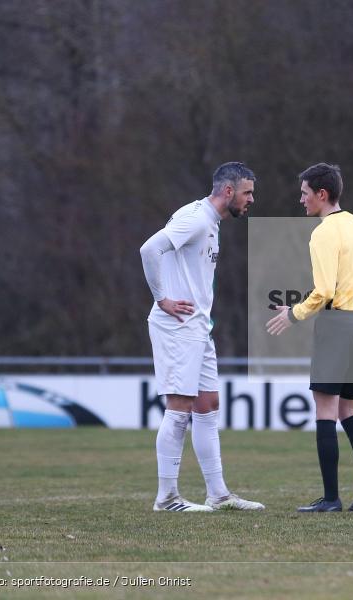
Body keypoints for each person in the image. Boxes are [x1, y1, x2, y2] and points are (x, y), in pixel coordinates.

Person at [140, 161, 264, 512]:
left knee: (207, 405)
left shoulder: (211, 222)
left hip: (198, 326)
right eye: (248, 192)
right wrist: (161, 298)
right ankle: (167, 498)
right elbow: (149, 249)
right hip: (177, 324)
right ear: (228, 191)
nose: (251, 199)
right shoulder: (195, 217)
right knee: (179, 408)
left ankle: (218, 493)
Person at [266, 163, 353, 513]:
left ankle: (331, 499)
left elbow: (325, 290)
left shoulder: (323, 232)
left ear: (321, 194)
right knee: (350, 410)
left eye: (304, 193)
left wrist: (294, 314)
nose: (300, 200)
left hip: (339, 326)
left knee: (326, 410)